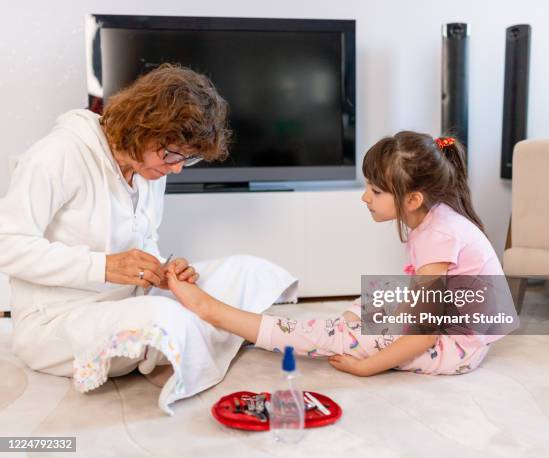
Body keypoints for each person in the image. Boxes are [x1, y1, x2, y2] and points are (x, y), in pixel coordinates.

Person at [0, 64, 296, 414]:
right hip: (60, 320)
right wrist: (104, 267)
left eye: (189, 158)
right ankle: (192, 339)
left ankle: (184, 341)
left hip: (132, 299)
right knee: (165, 318)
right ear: (140, 127)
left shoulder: (152, 166)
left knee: (249, 271)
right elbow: (7, 243)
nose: (177, 168)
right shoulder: (58, 155)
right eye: (172, 154)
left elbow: (146, 238)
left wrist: (165, 271)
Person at [165, 132, 510, 376]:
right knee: (367, 302)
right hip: (451, 324)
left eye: (375, 191)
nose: (365, 198)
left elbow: (424, 334)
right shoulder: (434, 217)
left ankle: (214, 311)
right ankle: (327, 331)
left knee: (337, 335)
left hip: (458, 348)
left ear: (413, 199)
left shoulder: (440, 234)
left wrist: (368, 365)